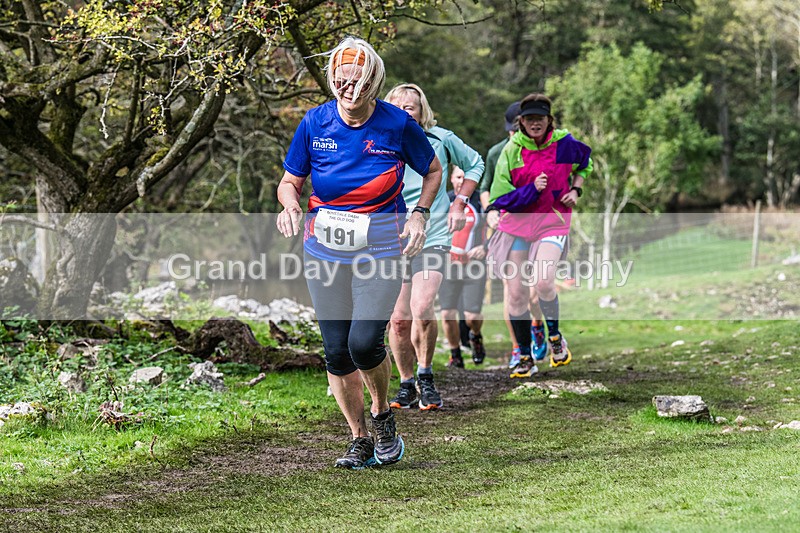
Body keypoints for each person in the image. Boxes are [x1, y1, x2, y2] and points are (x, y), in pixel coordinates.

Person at [276, 37, 443, 469]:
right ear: (333, 80)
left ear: (374, 83)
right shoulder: (315, 123)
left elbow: (433, 169)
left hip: (382, 247)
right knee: (335, 350)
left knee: (365, 342)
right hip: (324, 251)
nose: (349, 91)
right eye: (341, 81)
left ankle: (383, 415)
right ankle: (359, 438)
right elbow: (290, 180)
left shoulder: (397, 125)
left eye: (359, 83)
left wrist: (420, 215)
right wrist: (290, 204)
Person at [383, 83, 484, 410]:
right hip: (391, 237)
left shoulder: (440, 137)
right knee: (398, 320)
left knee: (423, 307)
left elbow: (475, 164)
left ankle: (426, 376)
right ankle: (407, 383)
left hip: (433, 233)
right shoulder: (380, 140)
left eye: (410, 107)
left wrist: (459, 203)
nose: (404, 111)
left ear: (421, 110)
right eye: (398, 106)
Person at [487, 93, 592, 379]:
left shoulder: (563, 144)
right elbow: (499, 197)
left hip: (552, 222)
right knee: (517, 294)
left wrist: (576, 189)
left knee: (544, 280)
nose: (535, 123)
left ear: (549, 120)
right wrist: (532, 188)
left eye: (540, 118)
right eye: (530, 118)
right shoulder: (511, 150)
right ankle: (524, 355)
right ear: (521, 121)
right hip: (517, 225)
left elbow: (586, 162)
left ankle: (555, 336)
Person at [480, 102, 549, 368]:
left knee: (536, 292)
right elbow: (486, 189)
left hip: (541, 227)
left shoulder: (545, 151)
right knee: (514, 292)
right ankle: (518, 348)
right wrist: (491, 211)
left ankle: (537, 325)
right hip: (511, 228)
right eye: (511, 131)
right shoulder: (498, 152)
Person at [439, 166, 487, 369]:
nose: (462, 181)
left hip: (473, 265)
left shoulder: (479, 201)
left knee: (471, 317)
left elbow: (498, 226)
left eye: (466, 177)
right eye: (458, 177)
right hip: (448, 264)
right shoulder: (443, 200)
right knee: (447, 313)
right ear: (451, 178)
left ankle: (475, 337)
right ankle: (455, 354)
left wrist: (485, 247)